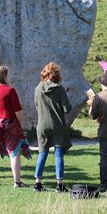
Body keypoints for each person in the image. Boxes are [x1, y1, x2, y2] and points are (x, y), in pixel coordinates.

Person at [0, 66, 31, 187]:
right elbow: (18, 110)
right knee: (14, 152)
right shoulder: (10, 90)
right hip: (9, 124)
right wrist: (19, 125)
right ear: (5, 76)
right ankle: (17, 182)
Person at [33, 62, 72, 193]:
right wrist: (65, 97)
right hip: (57, 125)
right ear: (57, 75)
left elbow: (37, 106)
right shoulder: (60, 89)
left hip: (42, 125)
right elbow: (67, 109)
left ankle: (37, 183)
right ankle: (59, 184)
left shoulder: (38, 89)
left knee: (42, 153)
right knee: (58, 154)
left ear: (45, 73)